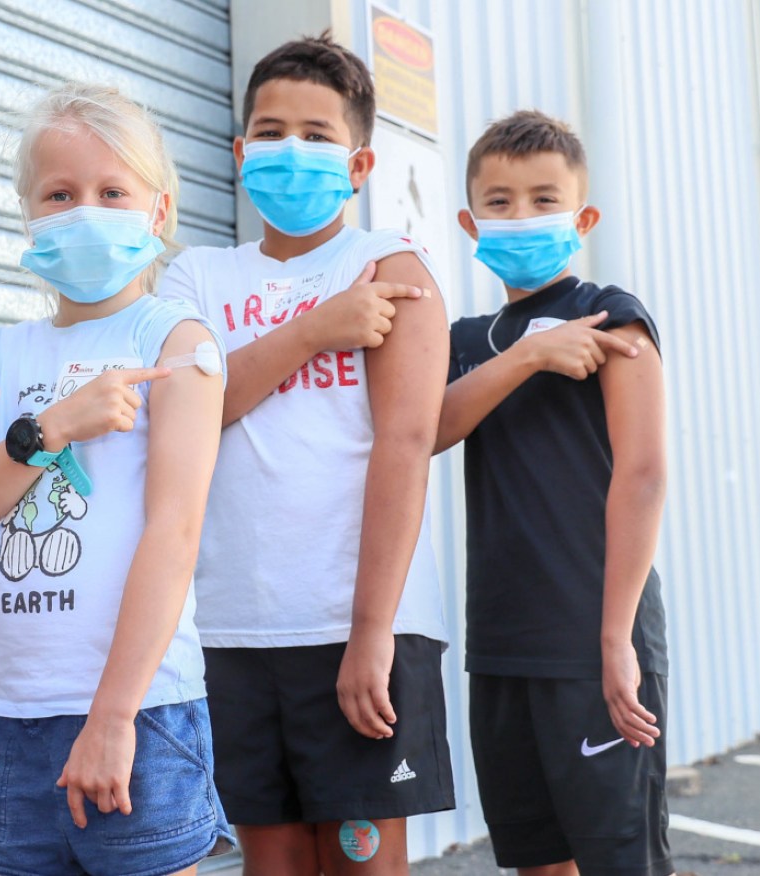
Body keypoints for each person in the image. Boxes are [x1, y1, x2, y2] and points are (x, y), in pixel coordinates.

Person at [157, 31, 455, 876]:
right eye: (272, 130)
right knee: (274, 861)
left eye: (318, 135)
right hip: (230, 627)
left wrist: (370, 634)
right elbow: (188, 410)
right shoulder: (195, 278)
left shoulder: (390, 267)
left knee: (361, 859)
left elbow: (404, 444)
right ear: (240, 150)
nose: (292, 151)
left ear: (358, 165)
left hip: (357, 623)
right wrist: (318, 329)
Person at [0, 82, 234, 876]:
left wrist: (113, 716)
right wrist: (53, 429)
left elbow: (174, 532)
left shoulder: (175, 340)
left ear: (158, 210)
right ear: (29, 211)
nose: (84, 209)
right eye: (59, 193)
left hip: (141, 712)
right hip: (9, 716)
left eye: (111, 191)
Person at [437, 109, 672, 876]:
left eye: (544, 199)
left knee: (618, 859)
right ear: (471, 220)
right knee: (536, 857)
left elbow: (643, 475)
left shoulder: (611, 317)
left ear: (582, 216)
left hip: (594, 634)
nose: (521, 216)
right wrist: (528, 357)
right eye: (499, 202)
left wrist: (614, 640)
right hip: (502, 640)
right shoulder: (469, 342)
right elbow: (427, 431)